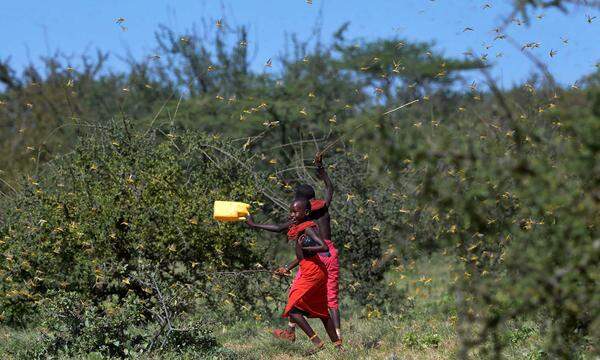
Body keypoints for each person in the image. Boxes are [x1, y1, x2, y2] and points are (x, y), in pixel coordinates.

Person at [246, 154, 342, 341]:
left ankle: (293, 333)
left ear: (303, 203)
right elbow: (330, 187)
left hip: (317, 254)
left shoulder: (304, 215)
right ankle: (337, 338)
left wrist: (255, 224)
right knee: (330, 297)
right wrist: (320, 169)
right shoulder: (323, 206)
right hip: (331, 253)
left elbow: (281, 228)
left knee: (297, 292)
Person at [281, 199, 341, 353]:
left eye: (295, 212)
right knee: (322, 312)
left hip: (312, 273)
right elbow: (302, 256)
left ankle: (318, 343)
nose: (292, 215)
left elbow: (323, 246)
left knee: (293, 309)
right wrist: (286, 267)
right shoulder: (301, 228)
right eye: (291, 211)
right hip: (316, 271)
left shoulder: (308, 228)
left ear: (306, 213)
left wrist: (308, 248)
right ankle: (339, 347)